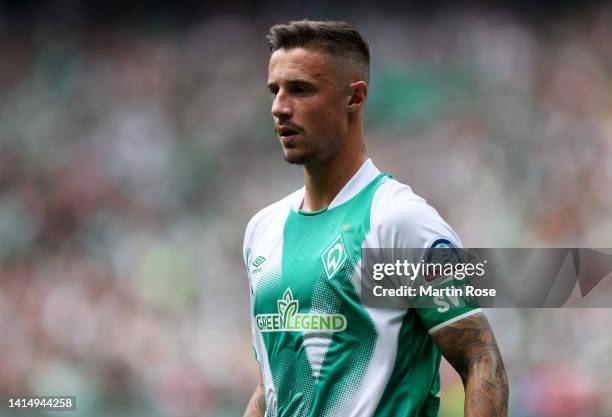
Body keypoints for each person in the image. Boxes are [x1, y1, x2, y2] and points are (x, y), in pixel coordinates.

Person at [242, 20, 508, 417]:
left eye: (300, 89)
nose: (279, 107)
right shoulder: (262, 231)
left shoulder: (397, 222)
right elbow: (272, 385)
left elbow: (480, 359)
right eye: (274, 90)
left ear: (355, 97)